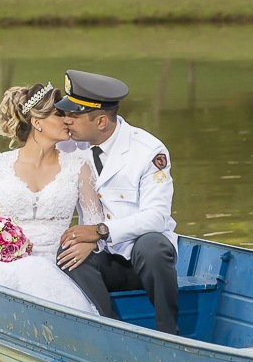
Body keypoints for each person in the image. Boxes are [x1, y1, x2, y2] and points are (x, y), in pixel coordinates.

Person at [55, 71, 180, 335]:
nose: (66, 121)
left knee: (152, 246)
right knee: (66, 255)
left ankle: (169, 333)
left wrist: (100, 231)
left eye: (74, 116)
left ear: (101, 121)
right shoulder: (69, 147)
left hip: (141, 259)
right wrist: (91, 239)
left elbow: (157, 217)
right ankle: (112, 329)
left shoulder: (148, 150)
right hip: (103, 257)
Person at [0, 83, 104, 315]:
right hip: (3, 264)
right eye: (59, 114)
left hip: (60, 264)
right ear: (36, 122)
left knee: (41, 276)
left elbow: (95, 223)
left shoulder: (79, 167)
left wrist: (89, 243)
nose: (68, 120)